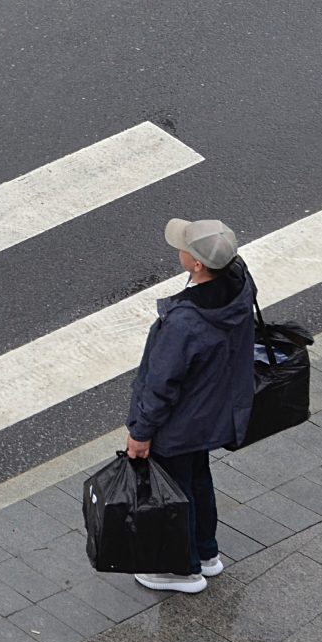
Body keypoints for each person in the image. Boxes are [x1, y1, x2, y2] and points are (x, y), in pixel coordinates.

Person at [125, 217, 257, 594]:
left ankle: (183, 570)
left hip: (182, 422)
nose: (179, 251)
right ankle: (206, 553)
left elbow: (160, 384)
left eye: (184, 248)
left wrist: (140, 432)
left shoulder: (185, 321)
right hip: (216, 411)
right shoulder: (241, 283)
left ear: (197, 264)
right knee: (197, 479)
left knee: (174, 493)